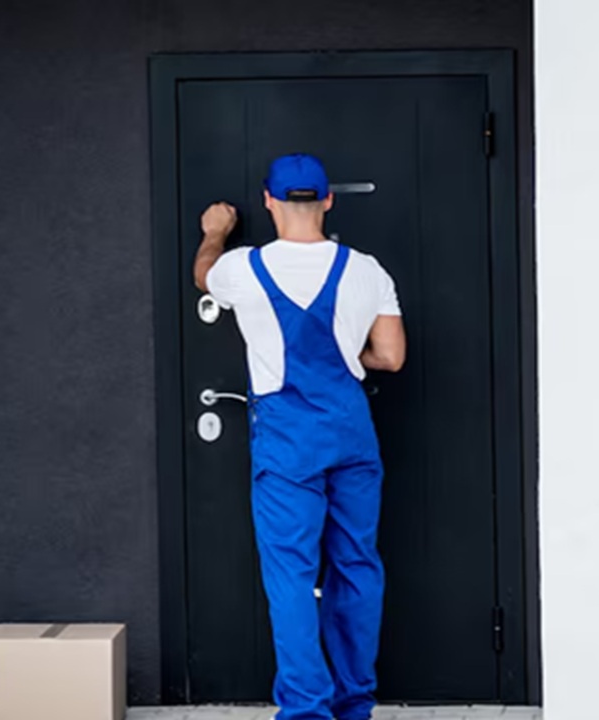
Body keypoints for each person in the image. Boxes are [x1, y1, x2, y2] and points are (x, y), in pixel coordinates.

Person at [193, 153, 406, 720]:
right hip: (351, 434)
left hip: (289, 444)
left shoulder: (242, 268)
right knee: (357, 565)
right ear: (328, 200)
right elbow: (390, 356)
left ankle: (308, 711)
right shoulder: (367, 270)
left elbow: (202, 275)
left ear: (269, 200)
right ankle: (354, 703)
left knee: (291, 574)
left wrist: (214, 232)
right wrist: (348, 354)